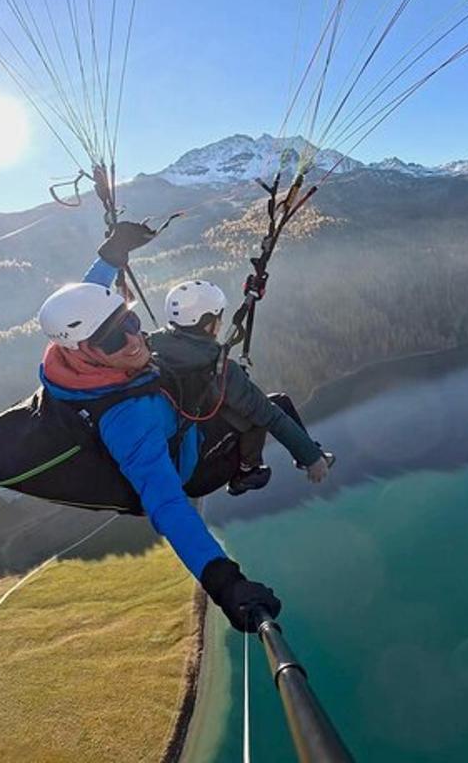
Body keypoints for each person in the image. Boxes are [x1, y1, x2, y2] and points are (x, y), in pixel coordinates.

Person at [35, 221, 333, 632]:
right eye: (115, 341)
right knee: (269, 406)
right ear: (86, 350)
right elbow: (168, 505)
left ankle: (254, 466)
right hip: (191, 467)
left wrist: (109, 256)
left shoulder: (69, 361)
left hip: (177, 431)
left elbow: (87, 303)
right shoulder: (128, 417)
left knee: (259, 405)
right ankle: (247, 472)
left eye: (131, 323)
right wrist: (225, 582)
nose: (134, 340)